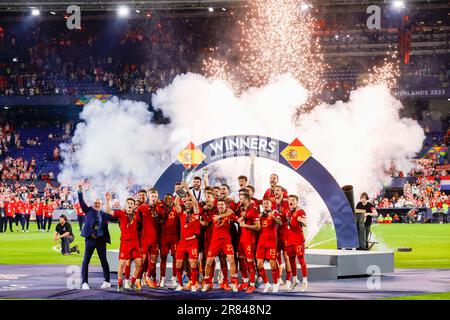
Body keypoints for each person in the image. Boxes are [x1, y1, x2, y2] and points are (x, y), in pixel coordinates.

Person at [105, 194, 142, 292]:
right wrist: (108, 200)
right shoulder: (121, 213)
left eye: (132, 203)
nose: (130, 205)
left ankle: (133, 282)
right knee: (121, 264)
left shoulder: (137, 214)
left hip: (135, 242)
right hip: (125, 242)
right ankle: (120, 284)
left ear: (134, 206)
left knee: (139, 263)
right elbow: (109, 211)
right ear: (125, 205)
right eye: (128, 203)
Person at [78, 184, 112, 290]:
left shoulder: (104, 214)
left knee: (104, 261)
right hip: (90, 240)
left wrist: (107, 201)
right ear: (93, 204)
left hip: (101, 241)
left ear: (101, 205)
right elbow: (81, 202)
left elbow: (114, 216)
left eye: (99, 203)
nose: (97, 205)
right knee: (86, 261)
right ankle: (84, 282)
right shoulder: (88, 211)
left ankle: (107, 281)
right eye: (96, 203)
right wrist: (80, 191)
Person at [202, 198, 239, 292]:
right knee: (208, 262)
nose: (220, 206)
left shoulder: (230, 214)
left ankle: (233, 283)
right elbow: (206, 223)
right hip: (215, 242)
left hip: (227, 241)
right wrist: (199, 220)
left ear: (225, 205)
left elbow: (238, 219)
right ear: (217, 206)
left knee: (231, 260)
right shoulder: (213, 214)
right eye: (219, 205)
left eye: (222, 204)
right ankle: (206, 282)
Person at [173, 182, 201, 291]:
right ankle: (180, 284)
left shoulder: (196, 213)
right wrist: (180, 192)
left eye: (190, 203)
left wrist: (188, 190)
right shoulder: (181, 214)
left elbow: (194, 201)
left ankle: (194, 284)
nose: (188, 204)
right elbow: (176, 204)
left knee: (193, 264)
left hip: (193, 242)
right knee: (179, 264)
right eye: (186, 203)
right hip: (182, 242)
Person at [256, 199, 283, 293]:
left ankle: (275, 283)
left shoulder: (275, 213)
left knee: (272, 264)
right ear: (262, 206)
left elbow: (280, 223)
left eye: (267, 203)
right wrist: (259, 217)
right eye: (264, 203)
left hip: (271, 242)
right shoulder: (260, 215)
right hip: (261, 242)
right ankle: (266, 283)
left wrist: (273, 217)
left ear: (271, 205)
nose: (265, 204)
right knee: (259, 264)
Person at [236, 192, 260, 293]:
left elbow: (258, 227)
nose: (240, 201)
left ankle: (252, 284)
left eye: (241, 199)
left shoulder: (253, 209)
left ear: (246, 199)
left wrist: (245, 226)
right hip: (242, 238)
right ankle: (245, 280)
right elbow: (240, 220)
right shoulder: (242, 209)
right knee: (240, 259)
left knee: (250, 261)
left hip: (250, 239)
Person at [286, 194, 308, 291]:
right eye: (289, 200)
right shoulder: (288, 212)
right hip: (290, 240)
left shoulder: (300, 211)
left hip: (298, 240)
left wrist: (301, 221)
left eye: (293, 200)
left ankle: (305, 281)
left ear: (297, 201)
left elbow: (305, 223)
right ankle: (295, 280)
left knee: (301, 260)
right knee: (291, 261)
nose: (291, 201)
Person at [159, 194, 180, 288]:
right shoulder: (160, 208)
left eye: (169, 198)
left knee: (175, 257)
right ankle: (162, 278)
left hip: (174, 236)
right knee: (163, 257)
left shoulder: (177, 208)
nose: (167, 200)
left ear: (173, 199)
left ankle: (174, 278)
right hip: (164, 236)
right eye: (166, 198)